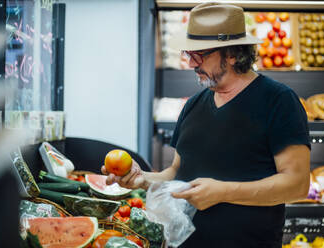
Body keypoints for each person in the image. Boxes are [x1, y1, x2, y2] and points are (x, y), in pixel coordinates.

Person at [102, 2, 310, 247]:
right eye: (188, 54)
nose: (191, 63)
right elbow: (177, 173)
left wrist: (223, 192)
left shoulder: (278, 101)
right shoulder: (193, 104)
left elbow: (297, 185)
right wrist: (142, 179)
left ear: (232, 54)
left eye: (198, 54)